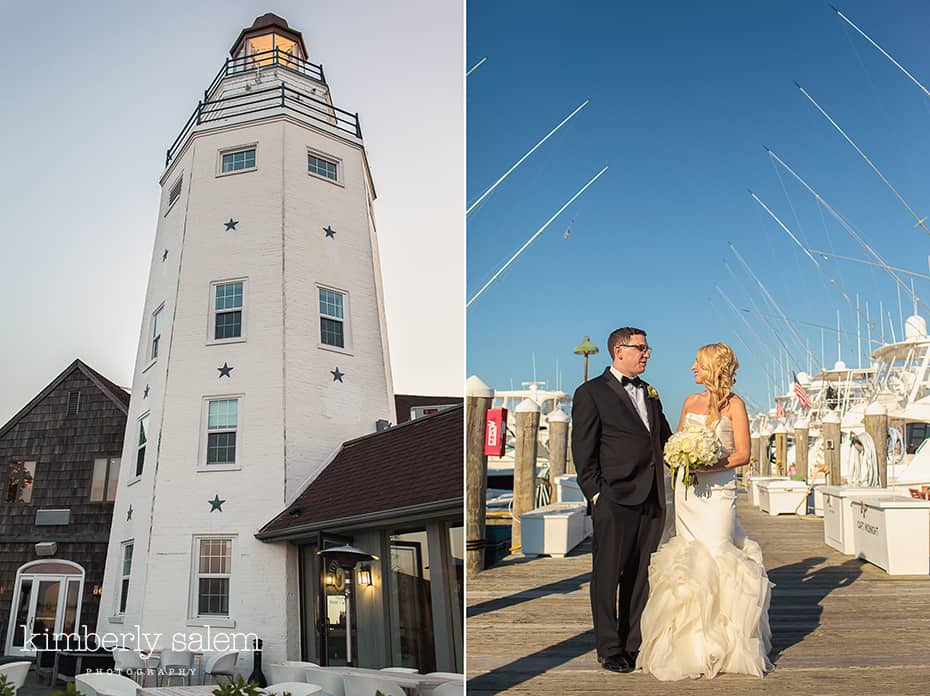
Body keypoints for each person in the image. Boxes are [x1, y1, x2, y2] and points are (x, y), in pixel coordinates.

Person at [637, 342, 773, 680]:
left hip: (717, 493)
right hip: (688, 493)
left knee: (717, 554)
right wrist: (681, 457)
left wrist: (708, 464)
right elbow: (676, 442)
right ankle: (690, 645)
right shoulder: (689, 401)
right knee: (688, 558)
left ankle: (725, 645)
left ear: (713, 367)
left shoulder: (735, 405)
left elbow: (743, 454)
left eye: (697, 364)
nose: (692, 369)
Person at [571, 327, 673, 674]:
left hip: (651, 497)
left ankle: (633, 643)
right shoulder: (590, 393)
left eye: (648, 348)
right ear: (619, 350)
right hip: (614, 498)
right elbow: (583, 451)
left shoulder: (651, 393)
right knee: (607, 575)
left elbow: (665, 440)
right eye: (641, 348)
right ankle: (609, 648)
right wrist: (597, 494)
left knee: (640, 574)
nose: (647, 354)